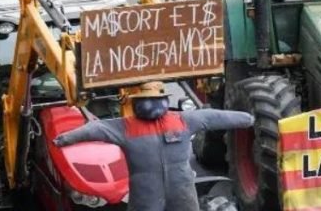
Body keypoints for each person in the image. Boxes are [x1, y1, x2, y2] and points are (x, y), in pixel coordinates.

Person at [54, 82, 255, 211]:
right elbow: (94, 129)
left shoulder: (181, 120)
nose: (150, 104)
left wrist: (248, 119)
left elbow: (215, 117)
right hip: (150, 195)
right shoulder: (126, 127)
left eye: (153, 100)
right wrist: (65, 139)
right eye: (146, 100)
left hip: (177, 194)